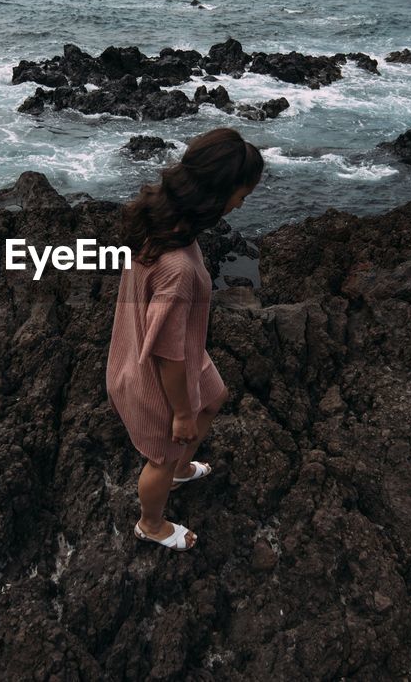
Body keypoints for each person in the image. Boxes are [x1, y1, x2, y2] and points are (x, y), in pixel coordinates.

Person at [104, 127, 264, 551]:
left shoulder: (163, 221)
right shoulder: (178, 268)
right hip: (155, 374)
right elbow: (167, 354)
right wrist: (179, 414)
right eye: (240, 196)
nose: (240, 204)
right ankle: (150, 523)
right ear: (217, 192)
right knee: (161, 456)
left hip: (168, 353)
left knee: (214, 397)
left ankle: (178, 469)